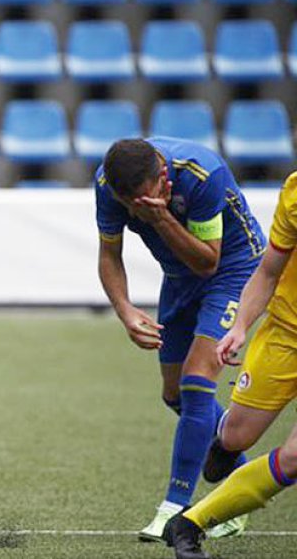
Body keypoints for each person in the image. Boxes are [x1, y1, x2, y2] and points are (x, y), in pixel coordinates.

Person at [95, 138, 265, 541]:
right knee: (174, 395)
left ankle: (175, 507)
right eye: (127, 203)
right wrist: (124, 309)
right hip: (178, 277)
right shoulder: (107, 184)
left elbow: (208, 262)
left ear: (163, 177)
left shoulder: (203, 175)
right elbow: (109, 253)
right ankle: (242, 483)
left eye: (142, 201)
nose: (134, 210)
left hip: (233, 270)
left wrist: (161, 219)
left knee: (196, 380)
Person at [163, 171, 297, 559]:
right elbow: (268, 271)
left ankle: (189, 524)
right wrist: (239, 327)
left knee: (293, 458)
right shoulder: (294, 194)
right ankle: (224, 443)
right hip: (285, 333)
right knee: (239, 437)